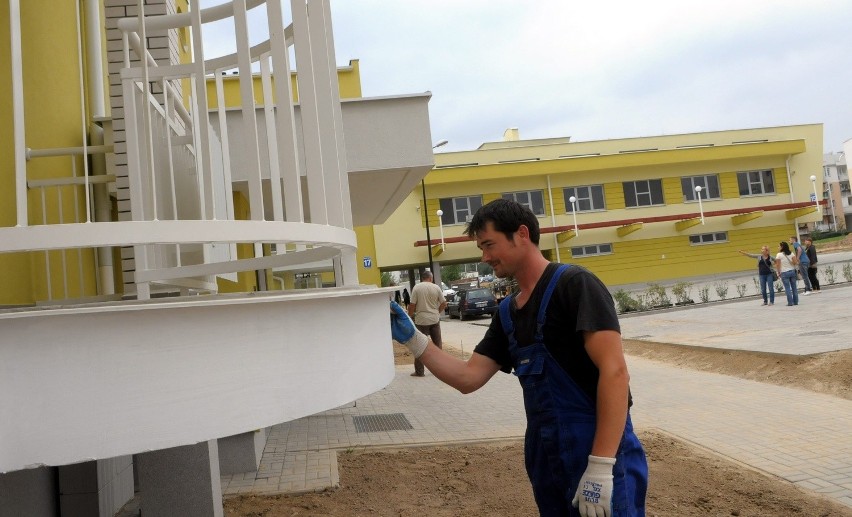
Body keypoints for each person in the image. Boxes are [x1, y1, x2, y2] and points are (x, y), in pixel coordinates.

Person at [390, 199, 647, 516]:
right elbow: (468, 378)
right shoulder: (507, 313)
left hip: (599, 454)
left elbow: (615, 372)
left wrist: (600, 465)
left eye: (489, 245)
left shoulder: (575, 285)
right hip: (547, 457)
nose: (484, 258)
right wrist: (413, 339)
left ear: (521, 234)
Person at [406, 271, 447, 377]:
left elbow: (412, 304)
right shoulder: (436, 287)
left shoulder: (417, 288)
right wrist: (437, 312)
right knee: (438, 345)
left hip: (421, 321)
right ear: (430, 278)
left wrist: (410, 316)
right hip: (434, 320)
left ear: (422, 278)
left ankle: (419, 372)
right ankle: (441, 370)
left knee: (419, 345)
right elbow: (444, 303)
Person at [775, 241, 799, 306]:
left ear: (782, 247)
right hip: (792, 272)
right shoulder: (791, 253)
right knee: (794, 287)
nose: (778, 247)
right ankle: (796, 302)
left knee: (787, 288)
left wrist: (778, 272)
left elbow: (777, 265)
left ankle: (790, 303)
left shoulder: (779, 255)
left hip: (784, 273)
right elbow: (796, 262)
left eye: (778, 246)